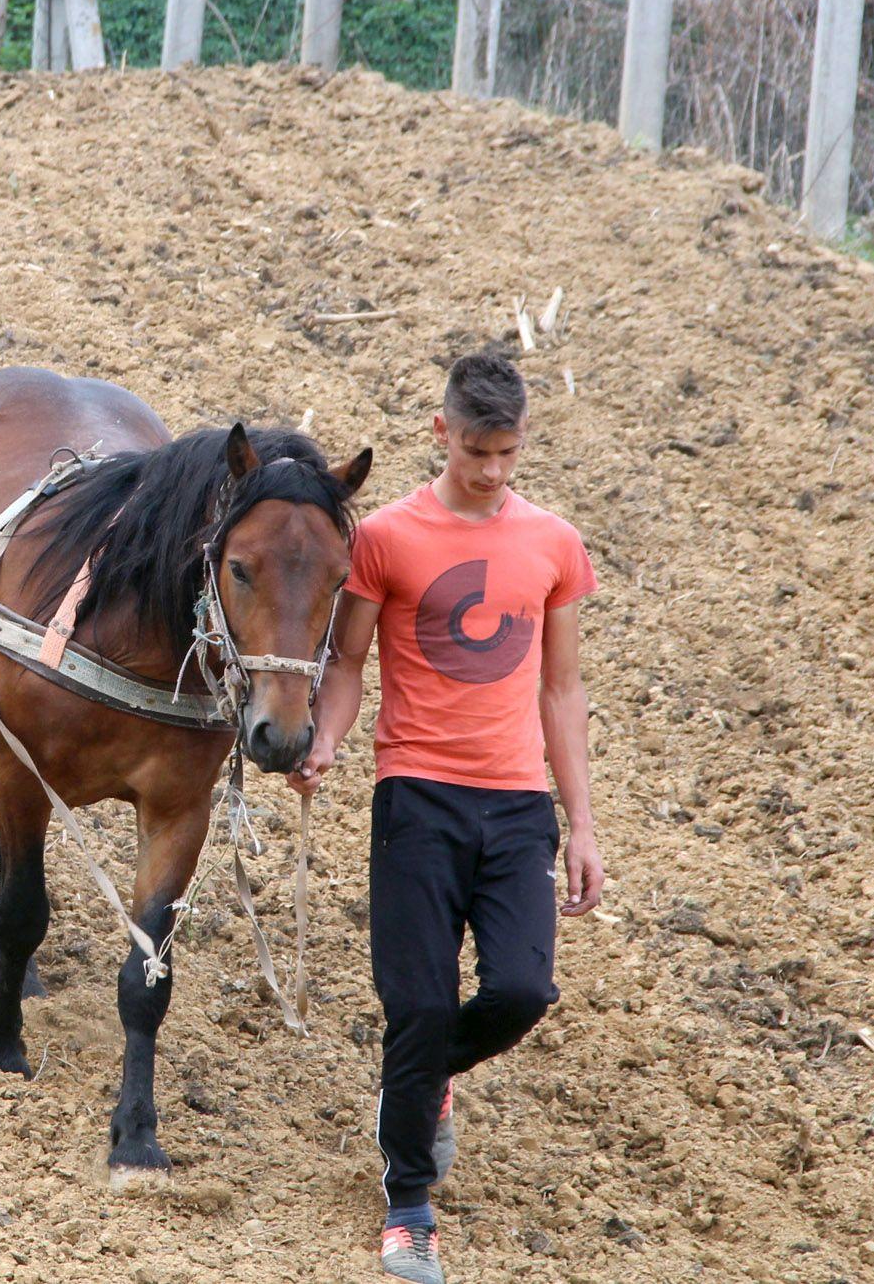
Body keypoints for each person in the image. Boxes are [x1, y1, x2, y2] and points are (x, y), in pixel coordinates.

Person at [287, 354, 607, 1284]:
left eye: (508, 452)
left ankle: (418, 1080)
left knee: (521, 992)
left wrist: (580, 822)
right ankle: (409, 1210)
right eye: (477, 451)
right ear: (442, 434)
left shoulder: (555, 543)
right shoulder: (384, 539)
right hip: (416, 798)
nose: (494, 471)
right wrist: (326, 741)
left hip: (516, 807)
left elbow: (561, 685)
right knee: (418, 1004)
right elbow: (345, 663)